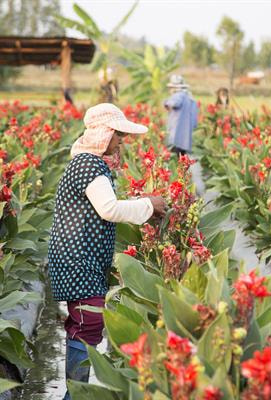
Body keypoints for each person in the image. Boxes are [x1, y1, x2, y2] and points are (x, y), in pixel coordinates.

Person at [47, 103, 167, 400]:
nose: (122, 140)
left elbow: (101, 206)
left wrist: (141, 205)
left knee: (83, 323)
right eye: (118, 134)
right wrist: (149, 204)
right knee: (89, 323)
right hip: (79, 260)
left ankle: (75, 394)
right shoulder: (90, 164)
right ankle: (75, 396)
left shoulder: (85, 161)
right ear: (104, 133)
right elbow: (109, 209)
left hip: (74, 257)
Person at [164, 75, 198, 156]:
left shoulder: (178, 95)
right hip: (186, 132)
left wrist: (166, 102)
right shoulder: (189, 96)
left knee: (175, 154)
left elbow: (174, 103)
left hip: (177, 131)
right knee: (182, 156)